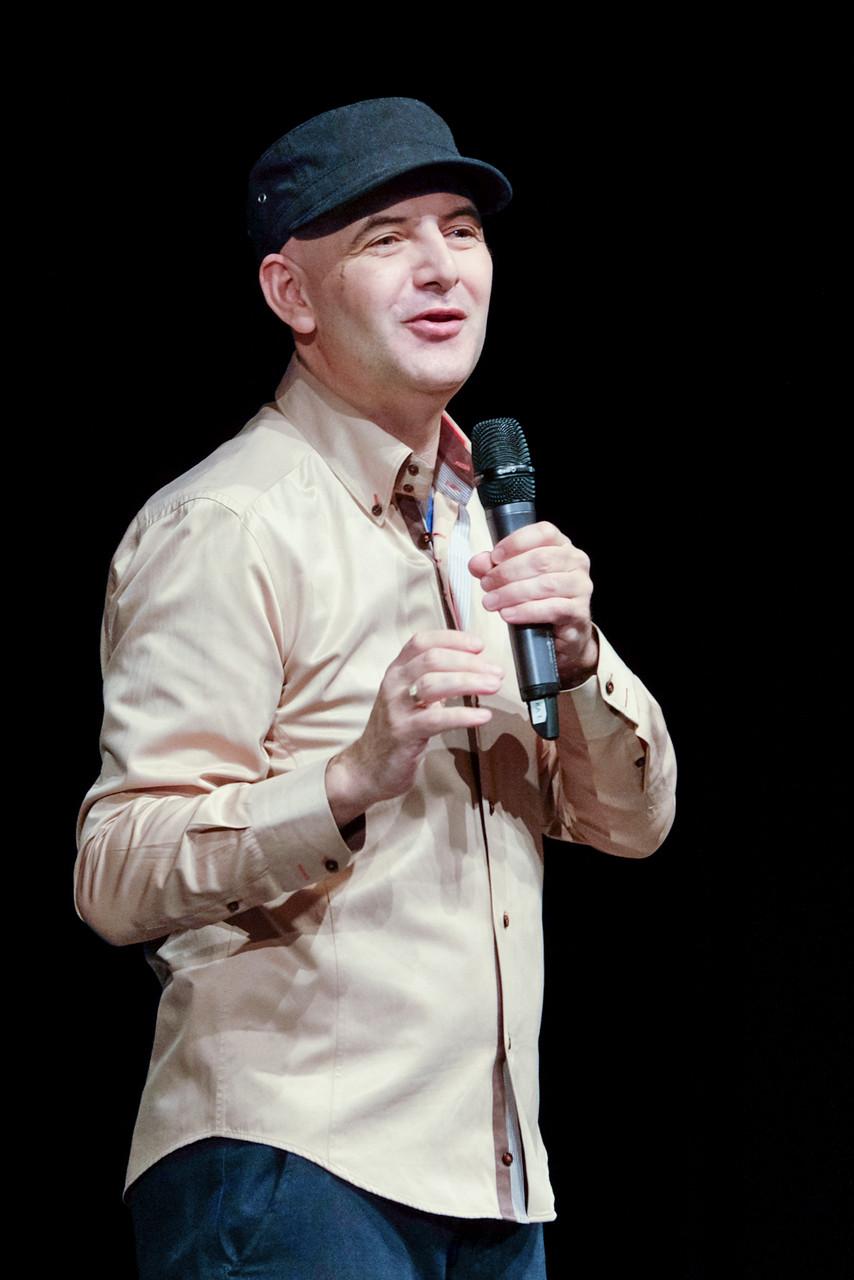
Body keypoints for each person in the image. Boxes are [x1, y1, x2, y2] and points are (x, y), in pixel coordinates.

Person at [75, 98, 676, 1279]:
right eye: (385, 237)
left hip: (490, 1181)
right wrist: (346, 778)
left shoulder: (484, 523)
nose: (441, 266)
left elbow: (630, 823)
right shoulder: (227, 524)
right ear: (291, 294)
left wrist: (578, 659)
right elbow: (113, 869)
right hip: (291, 1166)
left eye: (462, 230)